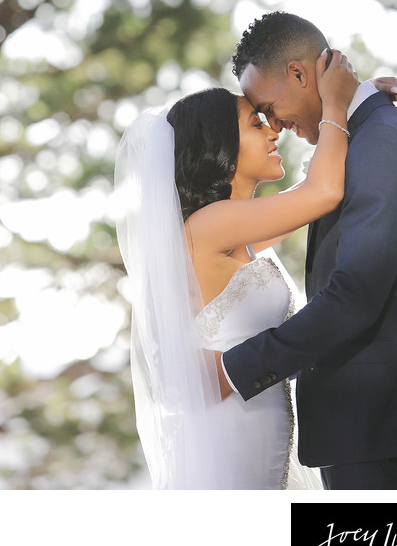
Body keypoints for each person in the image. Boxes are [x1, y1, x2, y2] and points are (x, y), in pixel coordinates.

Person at [214, 12, 397, 489]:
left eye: (268, 105)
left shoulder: (381, 143)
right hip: (365, 429)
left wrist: (234, 369)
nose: (274, 125)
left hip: (379, 426)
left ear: (301, 74)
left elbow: (354, 296)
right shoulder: (364, 139)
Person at [116, 47, 372, 488]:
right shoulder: (212, 224)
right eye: (256, 123)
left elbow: (313, 189)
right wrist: (336, 103)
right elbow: (323, 192)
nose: (274, 131)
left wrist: (366, 102)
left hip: (253, 440)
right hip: (229, 448)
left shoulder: (231, 229)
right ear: (221, 147)